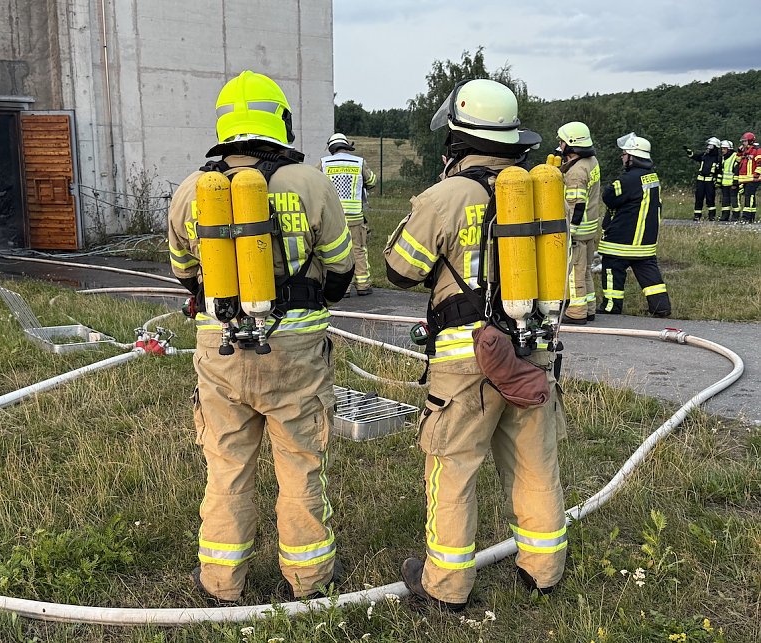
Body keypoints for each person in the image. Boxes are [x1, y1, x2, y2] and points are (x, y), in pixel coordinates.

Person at [167, 70, 354, 604]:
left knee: (226, 466)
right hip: (294, 351)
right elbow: (341, 266)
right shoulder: (312, 182)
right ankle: (310, 580)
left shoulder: (190, 191)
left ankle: (221, 583)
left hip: (219, 347)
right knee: (300, 464)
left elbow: (184, 270)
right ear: (280, 121)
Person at [384, 78, 568, 611]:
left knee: (453, 470)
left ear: (457, 139)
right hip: (530, 353)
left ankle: (445, 587)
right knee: (536, 465)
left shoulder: (447, 195)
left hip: (465, 361)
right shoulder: (536, 192)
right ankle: (544, 571)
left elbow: (400, 269)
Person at [597, 133, 671, 317]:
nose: (622, 157)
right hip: (645, 242)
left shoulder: (628, 180)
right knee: (649, 274)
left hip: (621, 241)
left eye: (624, 154)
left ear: (632, 157)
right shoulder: (652, 177)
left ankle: (611, 306)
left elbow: (609, 196)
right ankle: (660, 306)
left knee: (612, 270)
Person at [318, 133, 377, 296]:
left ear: (331, 147)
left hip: (333, 217)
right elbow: (372, 181)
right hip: (355, 217)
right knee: (358, 250)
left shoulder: (324, 163)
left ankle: (344, 288)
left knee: (337, 252)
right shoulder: (359, 162)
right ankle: (363, 285)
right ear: (346, 146)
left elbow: (316, 185)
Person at [557, 121, 601, 325]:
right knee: (585, 271)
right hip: (590, 228)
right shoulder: (591, 161)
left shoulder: (576, 172)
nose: (559, 145)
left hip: (578, 230)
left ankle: (577, 312)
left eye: (562, 141)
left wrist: (570, 231)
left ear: (571, 144)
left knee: (575, 273)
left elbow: (577, 204)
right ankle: (590, 308)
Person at [684, 137, 720, 222]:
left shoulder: (718, 158)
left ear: (715, 147)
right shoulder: (704, 155)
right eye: (708, 146)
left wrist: (717, 182)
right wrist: (689, 152)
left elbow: (719, 171)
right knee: (699, 198)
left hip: (710, 181)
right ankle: (697, 215)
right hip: (700, 180)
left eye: (710, 146)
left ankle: (711, 216)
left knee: (710, 199)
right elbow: (695, 157)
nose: (708, 148)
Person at [736, 132, 761, 223]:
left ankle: (746, 217)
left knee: (749, 196)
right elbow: (738, 161)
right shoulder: (744, 151)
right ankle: (751, 217)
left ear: (750, 141)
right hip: (745, 178)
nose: (743, 143)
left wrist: (757, 174)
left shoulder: (757, 150)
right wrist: (739, 152)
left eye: (745, 141)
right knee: (750, 196)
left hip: (753, 178)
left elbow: (760, 163)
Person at [717, 140, 739, 222]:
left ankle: (735, 216)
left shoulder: (735, 156)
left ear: (729, 149)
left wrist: (735, 183)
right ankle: (725, 216)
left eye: (724, 149)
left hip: (732, 184)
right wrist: (719, 183)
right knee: (725, 201)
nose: (722, 150)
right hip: (725, 184)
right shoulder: (723, 157)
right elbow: (721, 171)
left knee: (734, 201)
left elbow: (737, 171)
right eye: (722, 149)